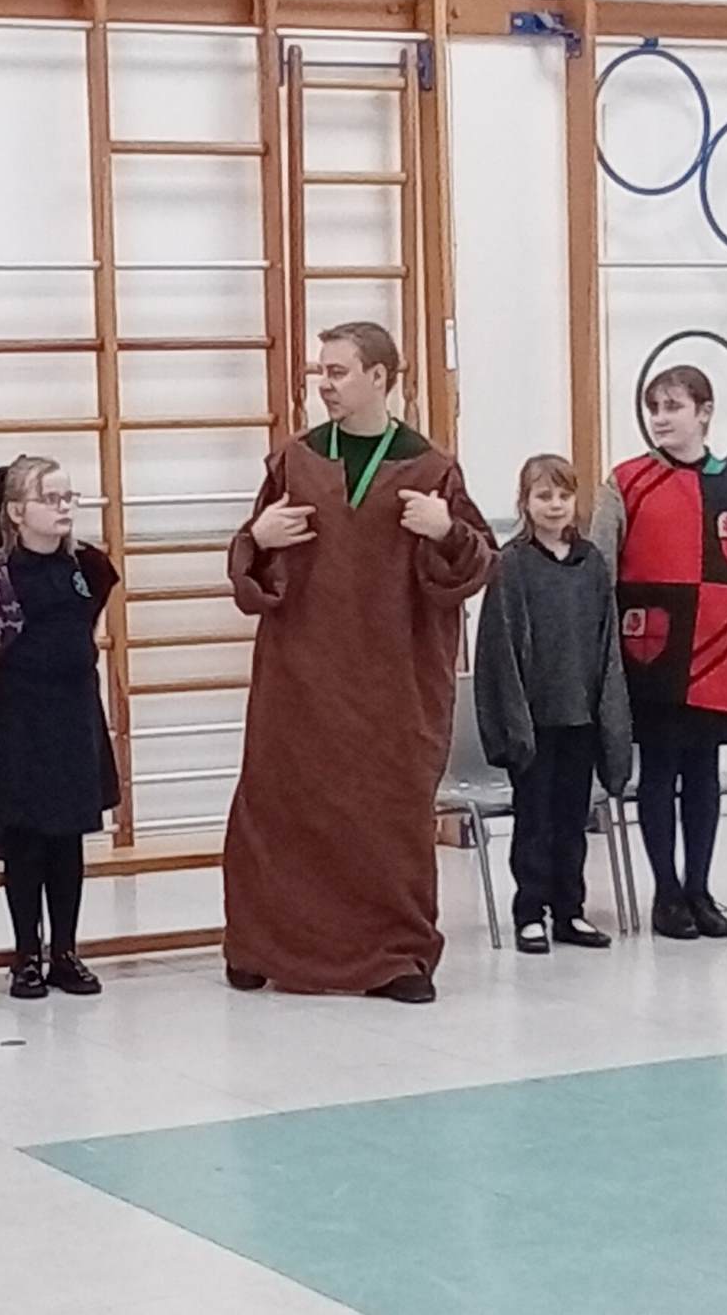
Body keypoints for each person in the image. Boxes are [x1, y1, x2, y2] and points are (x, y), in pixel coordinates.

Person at [222, 321, 496, 1004]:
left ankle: (394, 954)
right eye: (322, 371)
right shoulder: (296, 462)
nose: (325, 384)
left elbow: (476, 564)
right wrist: (257, 537)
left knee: (386, 816)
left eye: (338, 371)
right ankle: (262, 944)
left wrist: (445, 530)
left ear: (380, 377)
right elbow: (252, 567)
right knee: (280, 806)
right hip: (300, 677)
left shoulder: (430, 469)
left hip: (392, 682)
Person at [591, 364, 727, 941]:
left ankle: (699, 888)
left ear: (704, 412)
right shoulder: (626, 482)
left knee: (703, 774)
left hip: (717, 653)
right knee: (659, 772)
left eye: (673, 406)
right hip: (652, 653)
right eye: (654, 408)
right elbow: (599, 574)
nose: (660, 418)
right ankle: (666, 892)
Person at [0, 456, 117, 1001]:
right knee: (28, 843)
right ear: (16, 512)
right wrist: (14, 702)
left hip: (74, 717)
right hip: (20, 722)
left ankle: (66, 952)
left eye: (68, 497)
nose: (63, 508)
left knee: (68, 840)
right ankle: (26, 956)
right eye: (49, 499)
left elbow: (84, 627)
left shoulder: (86, 566)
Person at [473, 453, 632, 954]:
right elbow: (498, 649)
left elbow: (606, 642)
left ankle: (570, 911)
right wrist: (511, 721)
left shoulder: (591, 563)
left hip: (581, 717)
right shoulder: (512, 565)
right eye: (544, 496)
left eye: (563, 495)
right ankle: (529, 913)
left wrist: (608, 714)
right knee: (534, 819)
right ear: (525, 502)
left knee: (571, 819)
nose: (555, 505)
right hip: (534, 720)